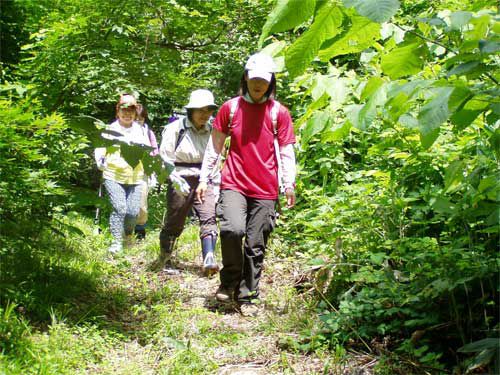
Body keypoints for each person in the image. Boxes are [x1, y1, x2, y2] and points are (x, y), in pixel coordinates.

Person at [196, 53, 297, 310]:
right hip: (234, 182)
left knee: (256, 243)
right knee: (232, 229)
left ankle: (248, 294)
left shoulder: (279, 113)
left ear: (271, 81)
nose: (258, 85)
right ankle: (229, 282)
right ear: (246, 78)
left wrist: (289, 184)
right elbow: (215, 146)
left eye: (264, 80)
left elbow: (286, 151)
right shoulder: (230, 109)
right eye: (254, 79)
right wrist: (204, 178)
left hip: (265, 187)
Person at [158, 89, 220, 275]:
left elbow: (217, 157)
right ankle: (166, 257)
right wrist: (174, 179)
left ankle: (209, 257)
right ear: (191, 110)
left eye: (208, 110)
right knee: (176, 218)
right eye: (200, 110)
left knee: (209, 215)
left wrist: (214, 181)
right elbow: (165, 156)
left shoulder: (213, 131)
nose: (204, 114)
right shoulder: (175, 129)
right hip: (180, 176)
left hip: (205, 179)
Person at [94, 94, 150, 254]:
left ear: (135, 112)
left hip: (136, 177)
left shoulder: (140, 130)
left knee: (132, 212)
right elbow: (100, 148)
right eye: (124, 110)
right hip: (113, 175)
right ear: (117, 111)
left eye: (131, 110)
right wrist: (101, 161)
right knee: (119, 208)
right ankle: (116, 242)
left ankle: (128, 236)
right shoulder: (110, 129)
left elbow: (146, 152)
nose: (127, 114)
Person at [134, 104, 159, 240]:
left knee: (142, 204)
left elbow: (155, 152)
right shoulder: (122, 131)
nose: (138, 122)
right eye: (135, 119)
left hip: (143, 172)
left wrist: (154, 171)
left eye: (141, 119)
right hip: (123, 172)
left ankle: (139, 231)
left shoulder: (148, 133)